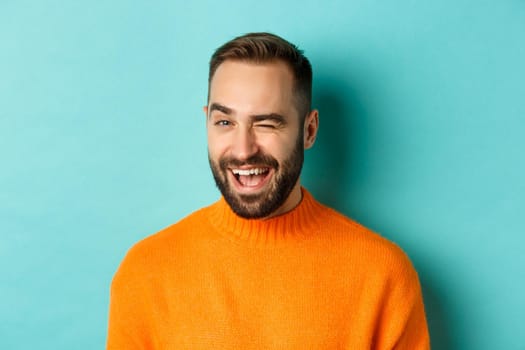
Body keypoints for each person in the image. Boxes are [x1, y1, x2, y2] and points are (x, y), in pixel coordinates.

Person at [107, 32, 430, 349]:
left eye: (266, 123)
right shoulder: (145, 272)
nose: (243, 149)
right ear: (206, 122)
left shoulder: (383, 275)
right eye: (224, 122)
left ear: (309, 130)